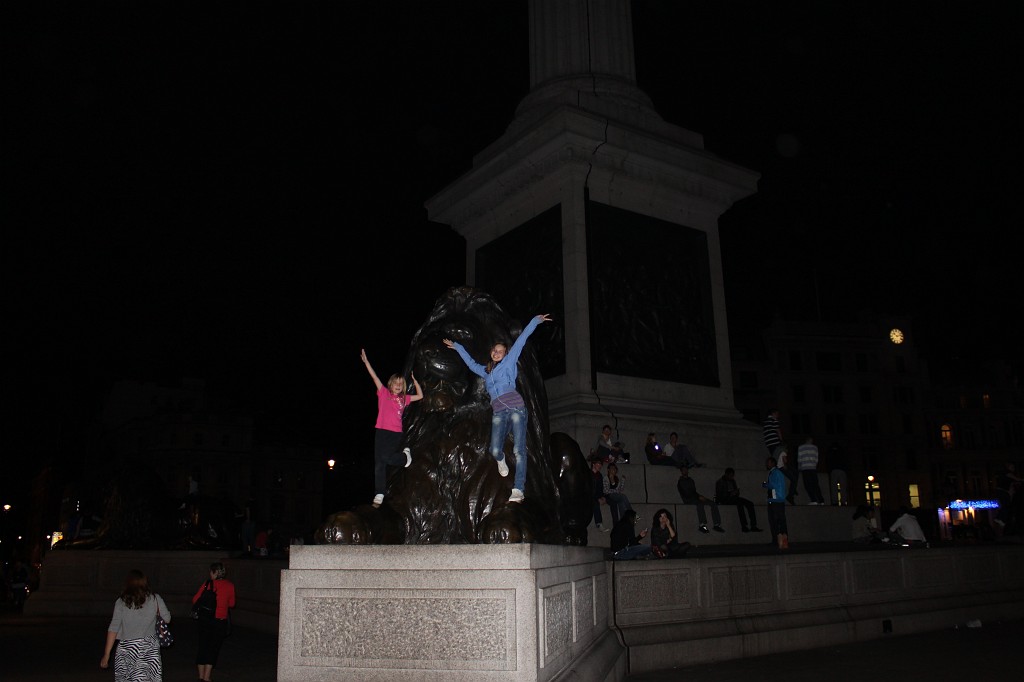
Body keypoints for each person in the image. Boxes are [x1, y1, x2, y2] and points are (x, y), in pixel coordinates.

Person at [443, 313, 552, 503]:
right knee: (494, 450)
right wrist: (457, 346)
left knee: (519, 450)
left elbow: (522, 340)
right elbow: (469, 363)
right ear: (491, 353)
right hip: (499, 411)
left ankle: (518, 489)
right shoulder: (485, 372)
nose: (496, 352)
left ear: (505, 355)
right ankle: (500, 459)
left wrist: (535, 320)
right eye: (495, 350)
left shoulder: (509, 364)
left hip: (516, 408)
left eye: (500, 351)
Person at [361, 348, 424, 507]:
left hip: (395, 433)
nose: (398, 385)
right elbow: (374, 376)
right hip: (381, 431)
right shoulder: (383, 393)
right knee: (379, 463)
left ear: (402, 387)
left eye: (400, 384)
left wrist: (415, 383)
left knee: (387, 458)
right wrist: (367, 362)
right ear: (390, 384)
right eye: (395, 383)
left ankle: (404, 458)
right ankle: (379, 493)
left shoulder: (404, 398)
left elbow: (421, 396)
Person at [100, 569, 170, 681]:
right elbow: (167, 619)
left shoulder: (121, 602)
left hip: (127, 648)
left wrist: (107, 654)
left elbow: (113, 628)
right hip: (149, 648)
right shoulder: (155, 598)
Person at [192, 561, 237, 682]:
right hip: (220, 621)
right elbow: (232, 604)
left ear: (214, 572)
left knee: (203, 646)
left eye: (211, 571)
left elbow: (195, 599)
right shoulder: (230, 585)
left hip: (205, 620)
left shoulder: (208, 584)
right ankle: (207, 677)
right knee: (213, 648)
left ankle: (201, 676)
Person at [676, 465, 725, 534]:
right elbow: (687, 493)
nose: (685, 471)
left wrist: (700, 496)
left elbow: (694, 491)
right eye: (683, 470)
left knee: (713, 503)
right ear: (681, 472)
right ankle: (702, 525)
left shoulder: (691, 480)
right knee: (700, 504)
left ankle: (717, 524)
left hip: (695, 497)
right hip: (688, 499)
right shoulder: (681, 481)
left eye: (686, 469)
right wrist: (698, 497)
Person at [715, 467, 763, 532]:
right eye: (731, 475)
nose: (732, 477)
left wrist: (736, 492)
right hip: (725, 500)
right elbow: (720, 496)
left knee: (750, 503)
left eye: (732, 475)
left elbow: (736, 494)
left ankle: (753, 525)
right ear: (726, 474)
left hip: (733, 498)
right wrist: (730, 494)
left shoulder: (732, 481)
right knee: (739, 504)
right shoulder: (720, 482)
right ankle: (744, 526)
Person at [765, 454, 789, 549]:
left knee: (777, 521)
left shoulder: (775, 472)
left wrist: (765, 484)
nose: (767, 464)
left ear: (772, 463)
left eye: (768, 463)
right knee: (778, 521)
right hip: (776, 500)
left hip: (776, 500)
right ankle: (780, 541)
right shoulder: (775, 472)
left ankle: (780, 541)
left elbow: (774, 485)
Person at [797, 436, 826, 505]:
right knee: (815, 485)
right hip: (813, 468)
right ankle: (821, 500)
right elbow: (816, 459)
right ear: (811, 440)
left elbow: (799, 459)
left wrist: (799, 468)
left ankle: (813, 499)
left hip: (805, 468)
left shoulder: (801, 447)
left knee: (807, 485)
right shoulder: (815, 448)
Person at [590, 457, 611, 532]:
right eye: (598, 464)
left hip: (597, 495)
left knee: (612, 499)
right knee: (595, 503)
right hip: (589, 495)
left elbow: (600, 489)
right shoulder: (588, 473)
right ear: (593, 464)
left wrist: (602, 497)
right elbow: (588, 489)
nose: (600, 466)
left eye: (601, 464)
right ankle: (599, 524)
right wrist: (597, 498)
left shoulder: (599, 475)